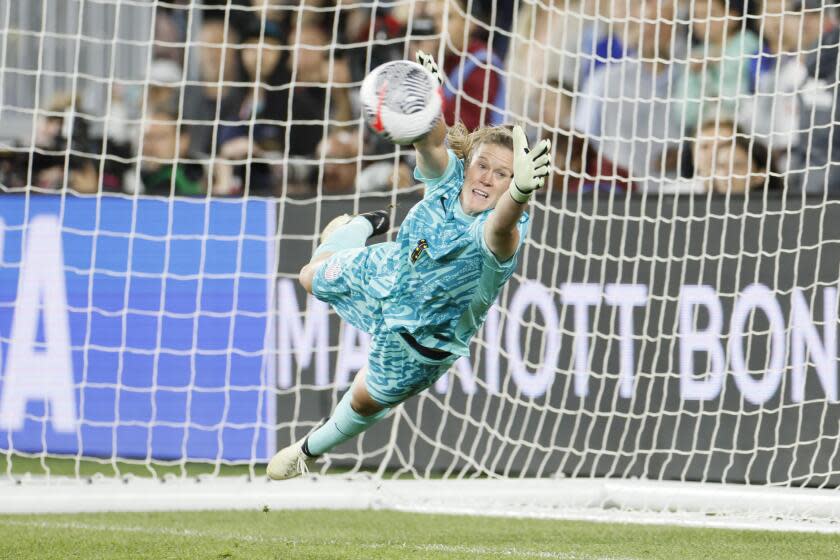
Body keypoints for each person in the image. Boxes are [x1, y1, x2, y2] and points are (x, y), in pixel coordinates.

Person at [267, 52, 551, 480]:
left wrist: (522, 193)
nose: (488, 178)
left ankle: (306, 451)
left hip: (419, 341)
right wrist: (425, 107)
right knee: (309, 276)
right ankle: (360, 227)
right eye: (483, 165)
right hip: (391, 270)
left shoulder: (499, 231)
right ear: (469, 163)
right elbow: (431, 142)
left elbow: (502, 224)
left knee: (364, 401)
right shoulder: (448, 177)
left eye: (503, 175)